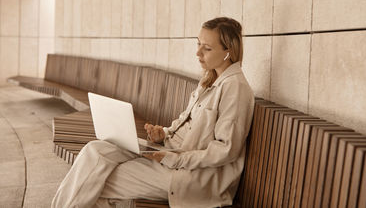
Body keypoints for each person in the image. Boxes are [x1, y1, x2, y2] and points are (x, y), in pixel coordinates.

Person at [51, 17, 255, 208]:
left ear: (228, 52)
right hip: (170, 154)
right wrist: (164, 134)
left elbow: (226, 150)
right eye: (198, 43)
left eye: (207, 48)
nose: (198, 53)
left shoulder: (235, 88)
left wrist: (173, 159)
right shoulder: (209, 80)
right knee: (94, 150)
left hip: (191, 174)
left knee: (95, 181)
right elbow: (187, 122)